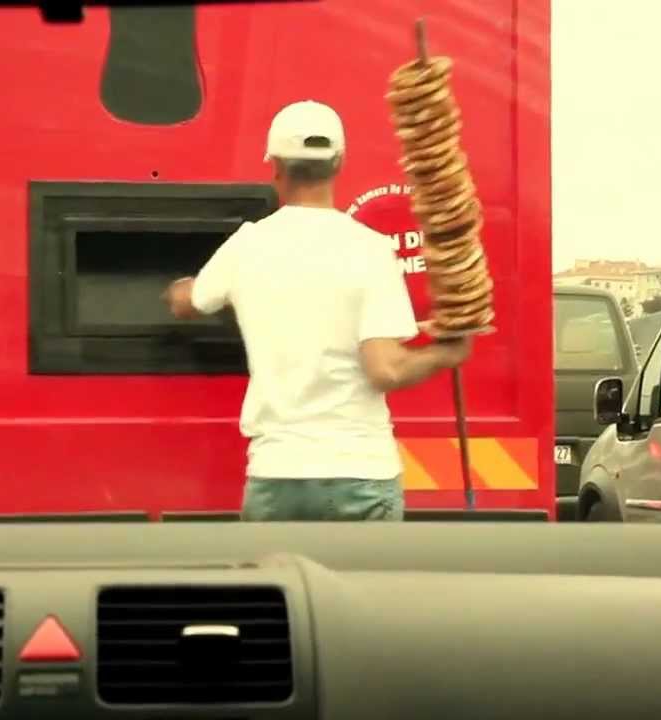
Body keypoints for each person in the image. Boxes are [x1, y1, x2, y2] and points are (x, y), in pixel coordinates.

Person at [162, 100, 471, 521]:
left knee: (279, 589)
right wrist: (445, 353)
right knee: (364, 590)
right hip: (359, 472)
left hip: (276, 475)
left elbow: (188, 302)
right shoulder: (371, 250)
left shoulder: (246, 245)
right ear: (339, 164)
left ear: (275, 168)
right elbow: (387, 369)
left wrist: (180, 289)